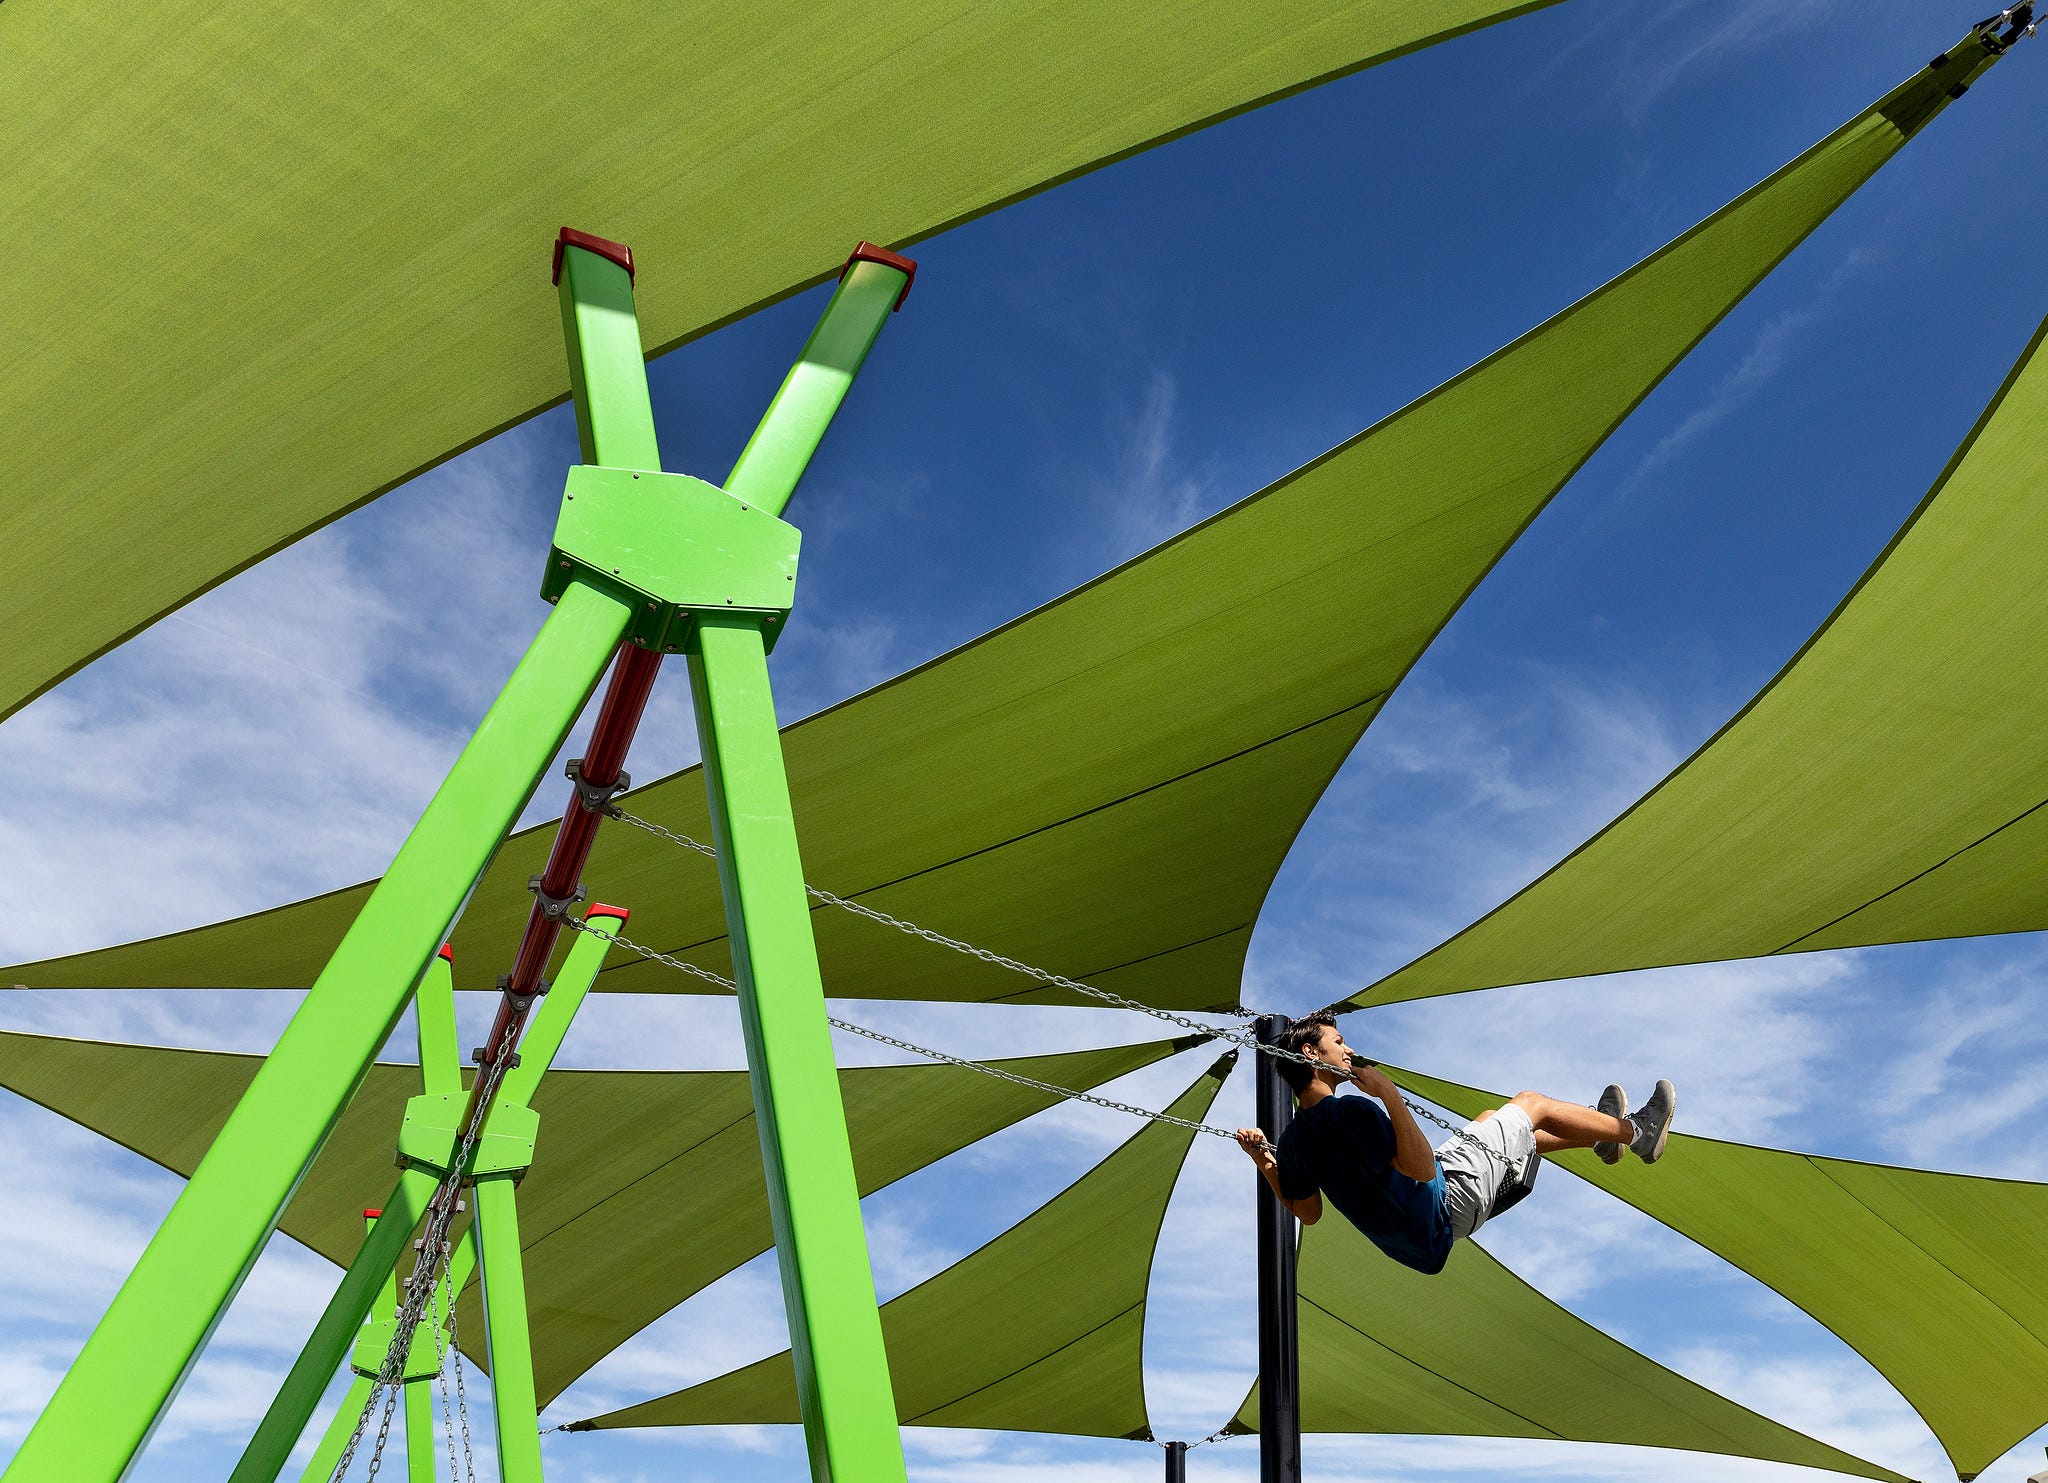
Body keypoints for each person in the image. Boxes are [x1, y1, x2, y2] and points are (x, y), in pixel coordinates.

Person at [1235, 1012, 1675, 1275]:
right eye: (1338, 1042)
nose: (1348, 1051)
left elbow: (1308, 1213)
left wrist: (1263, 1160)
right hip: (1445, 1202)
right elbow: (1422, 1170)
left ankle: (1597, 1138)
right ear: (1311, 1055)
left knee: (1493, 1123)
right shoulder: (1349, 1112)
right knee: (1531, 1104)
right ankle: (1637, 1133)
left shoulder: (1292, 1142)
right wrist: (1388, 1094)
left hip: (1423, 1237)